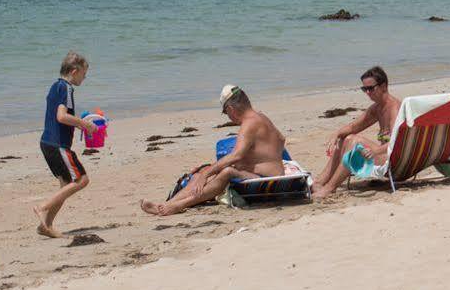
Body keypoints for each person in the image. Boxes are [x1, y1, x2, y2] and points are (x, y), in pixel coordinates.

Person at [142, 85, 288, 216]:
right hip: (272, 176)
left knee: (225, 171)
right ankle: (167, 204)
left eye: (225, 113)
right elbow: (281, 139)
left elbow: (236, 155)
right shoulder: (262, 117)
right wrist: (265, 158)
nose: (228, 117)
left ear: (231, 109)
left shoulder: (249, 124)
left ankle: (179, 204)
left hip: (268, 182)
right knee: (209, 171)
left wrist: (205, 174)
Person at [310, 68, 399, 202]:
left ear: (384, 86)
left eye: (371, 88)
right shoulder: (377, 108)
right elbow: (353, 127)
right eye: (364, 89)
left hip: (393, 160)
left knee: (353, 140)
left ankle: (330, 187)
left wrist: (375, 150)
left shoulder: (394, 108)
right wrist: (337, 134)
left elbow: (396, 141)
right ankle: (319, 183)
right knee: (343, 138)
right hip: (382, 155)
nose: (368, 93)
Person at [36, 51, 95, 237]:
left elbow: (58, 118)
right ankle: (43, 207)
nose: (84, 79)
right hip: (58, 145)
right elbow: (61, 116)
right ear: (74, 71)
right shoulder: (66, 88)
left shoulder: (55, 86)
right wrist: (83, 123)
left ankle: (46, 225)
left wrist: (76, 124)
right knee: (81, 180)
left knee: (65, 184)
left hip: (47, 143)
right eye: (84, 75)